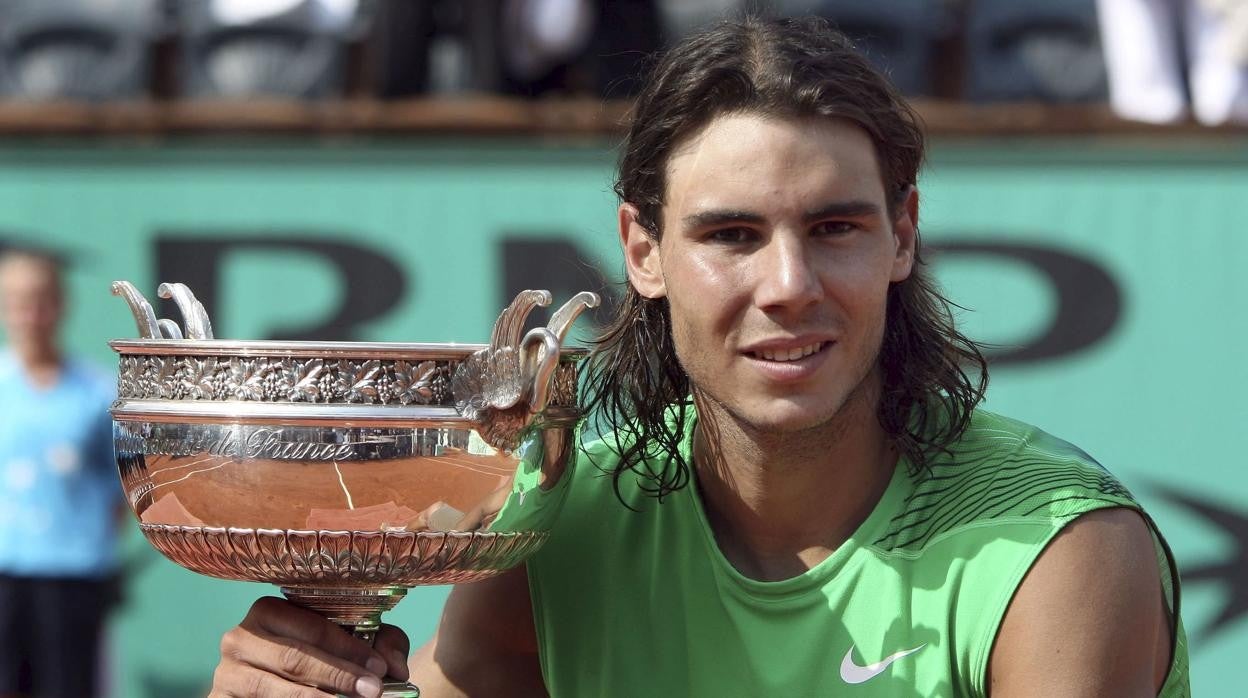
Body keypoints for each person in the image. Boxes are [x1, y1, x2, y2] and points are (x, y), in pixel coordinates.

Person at [209, 16, 1190, 697]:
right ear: (645, 252)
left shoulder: (1058, 548)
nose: (790, 284)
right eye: (730, 234)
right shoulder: (558, 516)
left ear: (904, 234)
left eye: (836, 225)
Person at [0, 248, 122, 698]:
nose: (30, 314)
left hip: (73, 585)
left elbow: (122, 489)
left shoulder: (96, 392)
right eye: (16, 300)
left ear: (61, 303)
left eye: (40, 299)